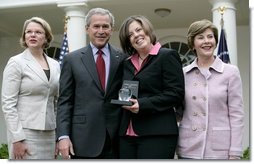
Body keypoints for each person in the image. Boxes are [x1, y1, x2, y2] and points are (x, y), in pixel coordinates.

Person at [56, 8, 126, 159]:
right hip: (82, 139)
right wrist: (63, 136)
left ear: (111, 30)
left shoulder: (122, 58)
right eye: (96, 26)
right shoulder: (72, 59)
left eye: (105, 26)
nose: (101, 31)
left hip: (115, 140)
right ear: (87, 29)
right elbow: (65, 101)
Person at [118, 15, 185, 159]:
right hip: (126, 135)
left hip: (158, 133)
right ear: (128, 41)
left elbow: (175, 94)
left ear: (147, 30)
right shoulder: (126, 63)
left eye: (138, 30)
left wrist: (142, 104)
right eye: (130, 34)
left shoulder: (167, 56)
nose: (136, 35)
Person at [177, 19, 244, 159]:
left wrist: (235, 152)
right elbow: (178, 111)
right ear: (192, 44)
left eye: (210, 36)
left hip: (220, 150)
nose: (206, 41)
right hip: (189, 147)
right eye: (200, 37)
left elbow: (237, 115)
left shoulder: (230, 72)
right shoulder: (182, 74)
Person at [1, 17, 60, 159]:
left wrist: (58, 135)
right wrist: (17, 138)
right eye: (29, 32)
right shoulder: (16, 62)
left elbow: (56, 102)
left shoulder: (55, 64)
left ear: (46, 37)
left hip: (50, 133)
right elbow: (8, 104)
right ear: (24, 36)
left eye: (38, 32)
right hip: (25, 133)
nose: (32, 35)